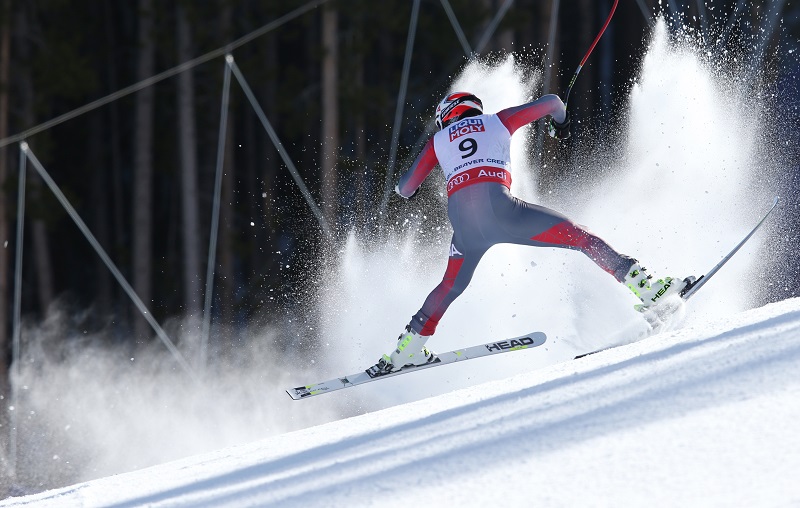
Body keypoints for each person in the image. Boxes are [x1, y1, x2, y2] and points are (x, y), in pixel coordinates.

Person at [367, 91, 690, 376]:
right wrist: (560, 125)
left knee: (450, 285)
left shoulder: (437, 142)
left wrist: (418, 182)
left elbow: (404, 188)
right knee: (580, 237)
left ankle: (409, 346)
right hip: (505, 213)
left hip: (465, 229)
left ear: (446, 117)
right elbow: (552, 103)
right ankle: (646, 288)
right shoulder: (497, 121)